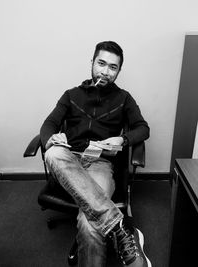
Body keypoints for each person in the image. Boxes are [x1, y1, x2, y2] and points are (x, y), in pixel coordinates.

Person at [40, 41, 151, 267]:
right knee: (53, 153)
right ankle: (119, 227)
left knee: (89, 222)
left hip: (100, 163)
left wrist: (122, 138)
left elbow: (143, 128)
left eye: (113, 67)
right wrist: (51, 138)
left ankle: (110, 225)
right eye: (101, 63)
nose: (105, 71)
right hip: (69, 161)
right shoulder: (71, 95)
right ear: (92, 63)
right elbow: (49, 124)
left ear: (119, 71)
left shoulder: (124, 98)